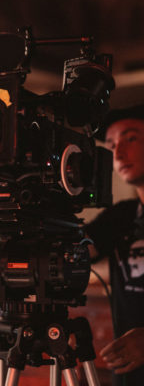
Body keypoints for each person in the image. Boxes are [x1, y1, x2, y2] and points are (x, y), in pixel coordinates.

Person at [85, 105, 144, 386]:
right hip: (129, 376)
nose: (118, 153)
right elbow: (79, 251)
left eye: (130, 138)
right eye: (111, 145)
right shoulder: (122, 215)